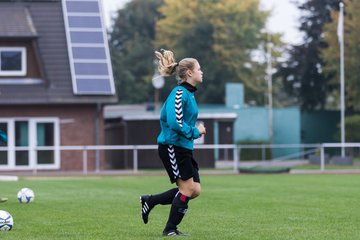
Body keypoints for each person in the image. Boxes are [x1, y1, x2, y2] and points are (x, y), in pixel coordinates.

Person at [140, 49, 206, 236]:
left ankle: (150, 201)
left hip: (183, 148)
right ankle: (170, 230)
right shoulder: (179, 92)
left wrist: (194, 131)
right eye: (199, 69)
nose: (202, 72)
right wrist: (196, 131)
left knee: (194, 190)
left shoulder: (189, 94)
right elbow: (174, 122)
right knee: (186, 189)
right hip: (172, 147)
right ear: (189, 73)